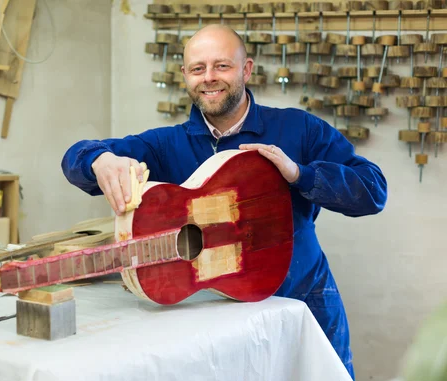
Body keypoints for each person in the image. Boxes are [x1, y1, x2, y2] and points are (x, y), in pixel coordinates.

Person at [60, 24, 387, 379]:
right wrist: (98, 159)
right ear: (185, 75)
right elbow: (74, 158)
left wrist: (299, 174)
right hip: (214, 321)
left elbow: (373, 190)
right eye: (198, 68)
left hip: (302, 303)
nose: (209, 77)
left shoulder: (299, 130)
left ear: (246, 70)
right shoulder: (166, 145)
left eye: (222, 66)